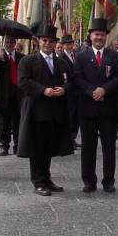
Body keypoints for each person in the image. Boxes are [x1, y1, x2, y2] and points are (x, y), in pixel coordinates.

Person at [16, 23, 74, 196]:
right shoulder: (28, 61)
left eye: (50, 41)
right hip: (36, 111)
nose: (47, 44)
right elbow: (23, 81)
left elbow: (72, 81)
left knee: (49, 147)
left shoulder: (62, 62)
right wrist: (43, 90)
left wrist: (65, 89)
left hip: (55, 111)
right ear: (38, 42)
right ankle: (38, 181)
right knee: (37, 148)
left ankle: (47, 178)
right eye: (44, 40)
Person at [74, 18, 118, 192]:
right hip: (88, 108)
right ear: (90, 36)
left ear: (105, 36)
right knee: (88, 147)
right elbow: (77, 78)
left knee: (109, 147)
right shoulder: (80, 56)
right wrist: (93, 91)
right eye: (96, 34)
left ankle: (108, 180)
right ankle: (88, 180)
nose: (99, 37)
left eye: (102, 34)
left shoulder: (114, 56)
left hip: (109, 108)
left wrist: (104, 90)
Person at [0, 36, 23, 156]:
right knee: (4, 122)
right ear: (3, 43)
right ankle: (4, 145)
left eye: (12, 42)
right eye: (7, 42)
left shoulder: (21, 57)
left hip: (18, 93)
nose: (9, 44)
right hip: (4, 93)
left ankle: (18, 145)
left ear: (15, 43)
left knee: (18, 121)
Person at [57, 34, 80, 144]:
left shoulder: (76, 55)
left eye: (71, 44)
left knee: (76, 115)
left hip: (78, 90)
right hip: (68, 90)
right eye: (67, 44)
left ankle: (73, 137)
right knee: (69, 115)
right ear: (63, 45)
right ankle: (68, 138)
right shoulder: (61, 57)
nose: (69, 46)